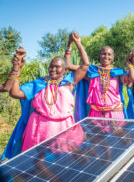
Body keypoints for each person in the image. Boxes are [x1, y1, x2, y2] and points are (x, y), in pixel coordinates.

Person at [1, 31, 89, 159]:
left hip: (63, 129)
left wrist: (76, 43)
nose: (53, 69)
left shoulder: (69, 82)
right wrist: (17, 69)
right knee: (36, 163)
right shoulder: (39, 83)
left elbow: (85, 65)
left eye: (57, 67)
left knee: (61, 161)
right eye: (51, 66)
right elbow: (15, 93)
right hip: (38, 130)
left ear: (65, 70)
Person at [66, 46, 134, 121]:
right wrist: (70, 45)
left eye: (109, 54)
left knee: (116, 133)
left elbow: (132, 78)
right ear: (99, 55)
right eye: (104, 54)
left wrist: (130, 65)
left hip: (115, 114)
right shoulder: (91, 71)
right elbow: (68, 66)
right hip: (96, 115)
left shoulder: (117, 73)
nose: (106, 56)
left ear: (113, 57)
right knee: (95, 133)